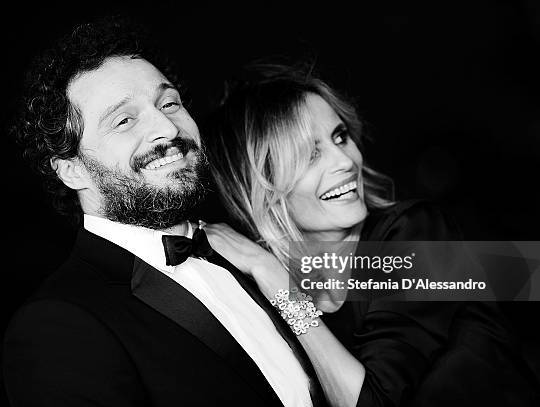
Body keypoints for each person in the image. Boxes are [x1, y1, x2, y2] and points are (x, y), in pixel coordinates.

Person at [3, 19, 329, 407]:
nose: (166, 128)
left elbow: (413, 275)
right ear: (72, 169)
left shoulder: (254, 243)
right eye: (124, 120)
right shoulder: (57, 325)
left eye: (169, 103)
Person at [202, 63, 540, 406]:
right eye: (311, 155)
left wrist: (270, 274)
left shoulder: (414, 232)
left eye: (340, 137)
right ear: (263, 188)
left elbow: (375, 400)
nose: (346, 161)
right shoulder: (268, 296)